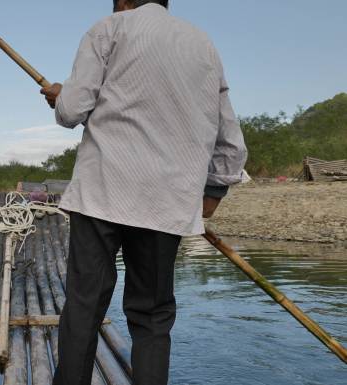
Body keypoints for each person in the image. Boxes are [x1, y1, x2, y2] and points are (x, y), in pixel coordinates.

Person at [40, 1, 247, 384]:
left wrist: (59, 94)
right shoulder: (203, 45)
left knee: (85, 305)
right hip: (166, 202)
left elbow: (72, 110)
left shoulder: (109, 28)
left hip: (103, 193)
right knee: (151, 316)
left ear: (121, 3)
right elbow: (229, 136)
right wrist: (214, 190)